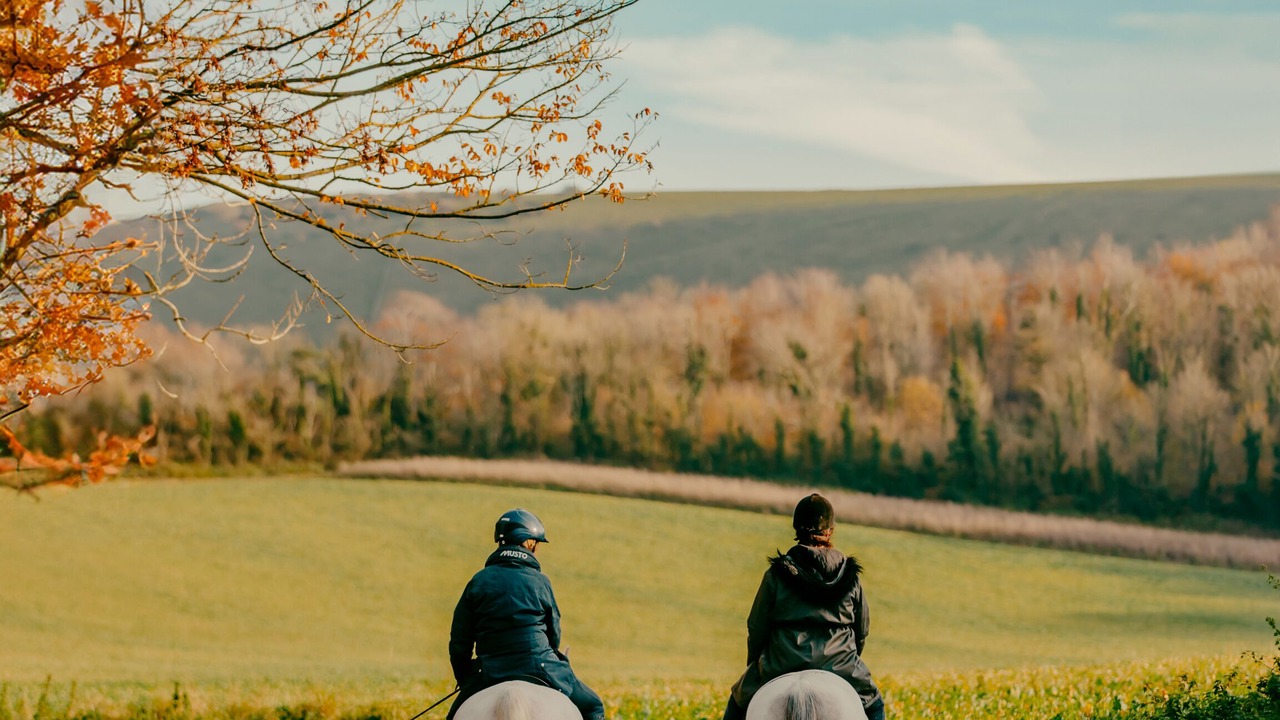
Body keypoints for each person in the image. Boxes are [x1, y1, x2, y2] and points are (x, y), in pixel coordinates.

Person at [723, 493, 885, 720]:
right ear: (830, 531)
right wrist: (848, 658)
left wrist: (755, 665)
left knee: (736, 705)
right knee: (876, 706)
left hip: (780, 662)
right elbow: (862, 630)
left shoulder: (776, 574)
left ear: (797, 529)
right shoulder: (850, 577)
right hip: (840, 663)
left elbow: (756, 627)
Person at [447, 508, 605, 720]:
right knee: (593, 707)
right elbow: (553, 635)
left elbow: (459, 641)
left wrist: (466, 677)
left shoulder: (478, 581)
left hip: (489, 670)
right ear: (528, 542)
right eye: (536, 544)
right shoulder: (540, 581)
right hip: (539, 665)